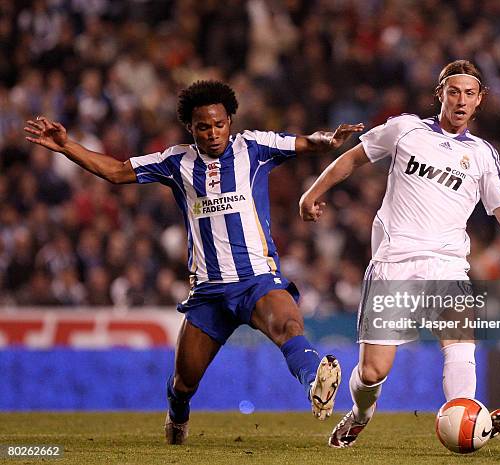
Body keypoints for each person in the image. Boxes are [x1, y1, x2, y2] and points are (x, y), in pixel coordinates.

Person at [25, 80, 364, 445]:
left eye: (219, 124)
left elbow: (305, 142)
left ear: (230, 121)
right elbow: (117, 171)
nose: (213, 133)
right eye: (204, 127)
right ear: (191, 128)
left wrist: (328, 141)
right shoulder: (176, 161)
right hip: (209, 293)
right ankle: (177, 416)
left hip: (257, 280)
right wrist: (66, 146)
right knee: (184, 382)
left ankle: (316, 381)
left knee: (290, 326)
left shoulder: (255, 146)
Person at [299, 60, 500, 448]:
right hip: (394, 262)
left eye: (469, 93)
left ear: (480, 100)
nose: (461, 100)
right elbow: (353, 158)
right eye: (454, 92)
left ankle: (466, 417)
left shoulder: (482, 155)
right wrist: (312, 193)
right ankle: (361, 412)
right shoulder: (404, 129)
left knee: (462, 343)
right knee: (373, 372)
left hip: (447, 264)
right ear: (441, 94)